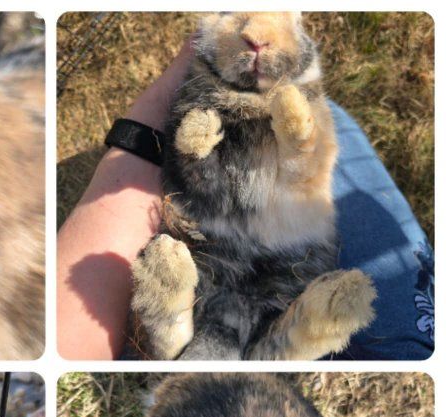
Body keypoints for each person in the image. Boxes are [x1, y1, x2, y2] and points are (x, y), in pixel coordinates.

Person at [57, 40, 434, 361]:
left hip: (254, 249)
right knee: (331, 118)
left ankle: (182, 330)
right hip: (256, 250)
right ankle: (203, 330)